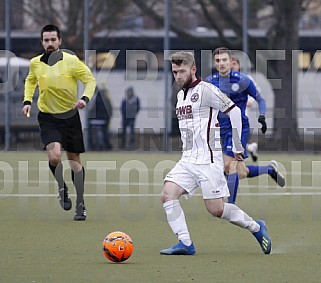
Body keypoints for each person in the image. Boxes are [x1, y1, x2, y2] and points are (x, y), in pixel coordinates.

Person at [160, 51, 271, 256]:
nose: (178, 76)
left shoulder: (206, 90)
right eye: (175, 72)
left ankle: (256, 227)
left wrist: (238, 146)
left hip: (208, 161)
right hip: (187, 160)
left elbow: (234, 111)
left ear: (193, 69)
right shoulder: (180, 95)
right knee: (167, 195)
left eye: (182, 71)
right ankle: (185, 243)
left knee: (217, 210)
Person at [22, 24, 96, 221]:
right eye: (46, 40)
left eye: (53, 40)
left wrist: (85, 99)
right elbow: (30, 81)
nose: (50, 43)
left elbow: (90, 80)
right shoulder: (36, 63)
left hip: (70, 116)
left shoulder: (71, 61)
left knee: (74, 162)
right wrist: (27, 101)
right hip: (48, 118)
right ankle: (61, 188)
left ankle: (80, 203)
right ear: (42, 42)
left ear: (60, 41)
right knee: (54, 157)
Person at [205, 47, 285, 204]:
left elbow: (260, 99)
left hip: (240, 128)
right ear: (214, 63)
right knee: (242, 172)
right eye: (218, 60)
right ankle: (269, 170)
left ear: (230, 61)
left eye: (224, 60)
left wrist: (262, 116)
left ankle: (230, 206)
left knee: (229, 164)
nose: (221, 63)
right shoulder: (209, 82)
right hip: (222, 129)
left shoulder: (243, 80)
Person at [230, 56, 258, 162]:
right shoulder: (222, 79)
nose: (232, 67)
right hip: (226, 116)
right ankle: (250, 148)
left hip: (242, 114)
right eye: (230, 64)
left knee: (237, 138)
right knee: (232, 138)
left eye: (234, 64)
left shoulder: (245, 79)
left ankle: (237, 162)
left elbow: (256, 93)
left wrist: (250, 101)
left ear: (238, 66)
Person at [88, 85, 113, 150]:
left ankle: (101, 146)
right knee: (101, 133)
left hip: (100, 118)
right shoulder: (101, 97)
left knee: (101, 133)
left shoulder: (99, 97)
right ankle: (100, 146)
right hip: (100, 118)